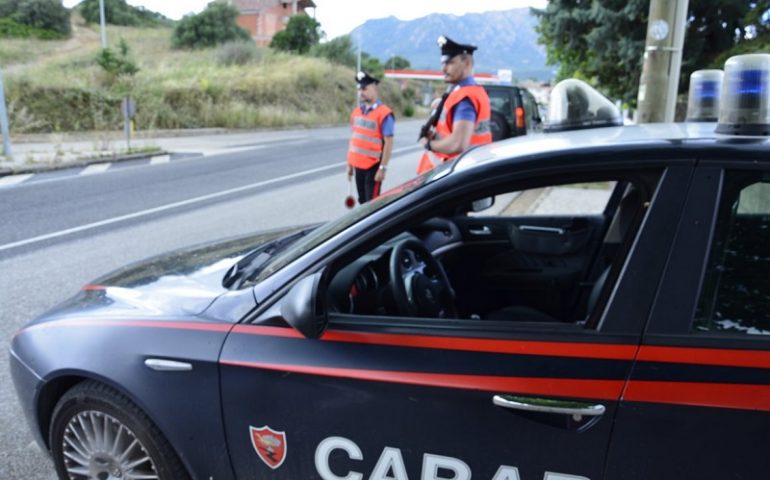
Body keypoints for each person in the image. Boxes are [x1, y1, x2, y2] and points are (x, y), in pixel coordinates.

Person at [417, 35, 492, 174]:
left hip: (458, 176)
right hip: (470, 172)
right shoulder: (465, 91)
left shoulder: (465, 97)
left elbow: (457, 144)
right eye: (443, 63)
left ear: (467, 63)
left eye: (450, 63)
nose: (444, 68)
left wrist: (429, 144)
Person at [347, 71, 395, 204]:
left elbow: (388, 143)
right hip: (358, 166)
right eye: (359, 89)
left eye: (364, 88)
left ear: (374, 88)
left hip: (373, 168)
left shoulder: (384, 114)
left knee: (372, 204)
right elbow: (354, 140)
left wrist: (383, 168)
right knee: (362, 202)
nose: (361, 92)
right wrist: (350, 164)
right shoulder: (356, 112)